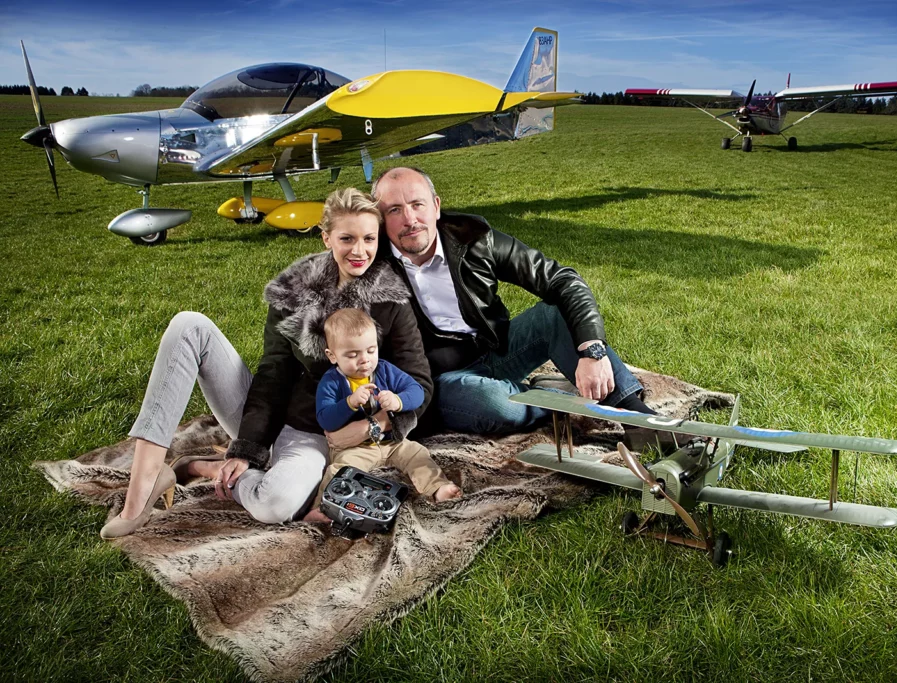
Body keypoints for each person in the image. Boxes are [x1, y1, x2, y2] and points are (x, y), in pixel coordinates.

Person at [100, 187, 431, 538]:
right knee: (189, 325)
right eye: (347, 238)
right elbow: (273, 371)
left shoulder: (391, 298)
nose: (359, 250)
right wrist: (248, 447)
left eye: (369, 238)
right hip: (280, 417)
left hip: (322, 435)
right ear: (326, 238)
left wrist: (374, 427)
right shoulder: (294, 291)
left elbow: (419, 382)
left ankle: (202, 468)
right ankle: (145, 480)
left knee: (275, 504)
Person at [371, 167, 657, 437]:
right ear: (382, 220)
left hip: (498, 353)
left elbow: (562, 280)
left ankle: (640, 420)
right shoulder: (371, 269)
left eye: (417, 204)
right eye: (394, 210)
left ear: (435, 206)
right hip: (442, 381)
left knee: (554, 315)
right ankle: (559, 400)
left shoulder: (474, 239)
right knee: (495, 403)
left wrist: (592, 351)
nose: (409, 219)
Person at [303, 308, 460, 524]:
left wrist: (398, 401)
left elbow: (416, 391)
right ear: (332, 356)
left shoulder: (385, 370)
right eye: (352, 355)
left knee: (417, 454)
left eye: (370, 350)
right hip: (354, 448)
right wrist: (348, 403)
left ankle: (437, 487)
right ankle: (322, 508)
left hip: (392, 441)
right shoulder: (331, 382)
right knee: (339, 471)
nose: (364, 360)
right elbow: (326, 419)